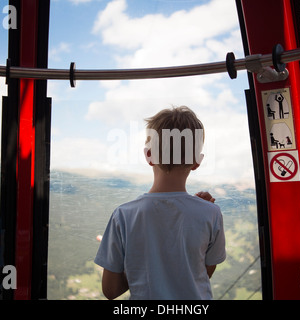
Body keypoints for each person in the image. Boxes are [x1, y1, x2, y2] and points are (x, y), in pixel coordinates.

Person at [94, 106, 226, 300]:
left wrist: (139, 266)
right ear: (197, 161)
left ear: (148, 156)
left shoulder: (123, 215)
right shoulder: (211, 213)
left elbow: (111, 291)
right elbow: (203, 273)